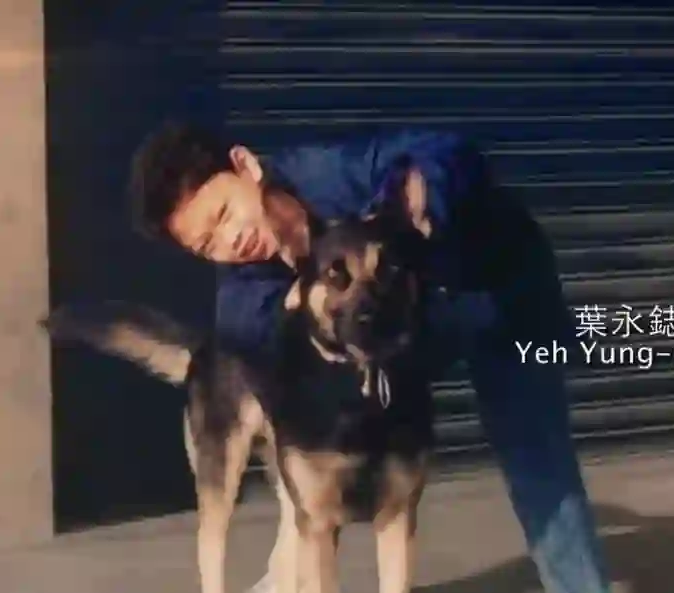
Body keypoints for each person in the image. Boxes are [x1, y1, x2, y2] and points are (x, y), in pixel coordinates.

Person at [128, 121, 612, 593]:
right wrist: (293, 311)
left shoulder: (331, 172)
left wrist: (418, 218)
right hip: (408, 340)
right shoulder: (244, 303)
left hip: (501, 291)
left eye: (224, 214)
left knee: (536, 454)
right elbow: (269, 352)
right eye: (207, 244)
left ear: (245, 165)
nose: (230, 239)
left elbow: (449, 152)